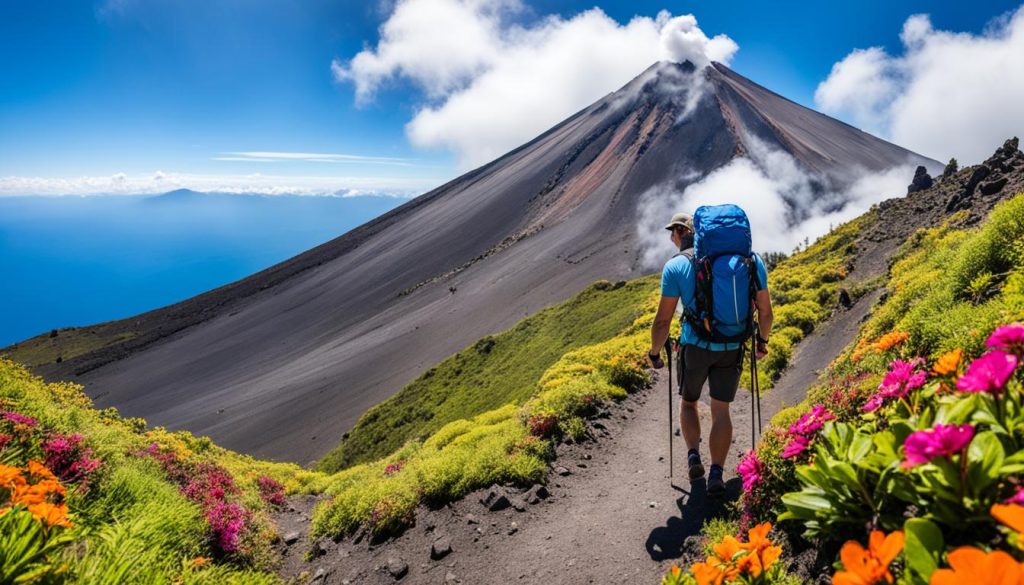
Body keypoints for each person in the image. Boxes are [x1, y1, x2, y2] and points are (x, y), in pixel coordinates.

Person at [648, 211, 773, 496]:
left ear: (681, 232)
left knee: (689, 403)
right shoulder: (751, 261)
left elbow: (662, 322)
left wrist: (655, 353)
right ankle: (717, 471)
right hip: (732, 347)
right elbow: (766, 312)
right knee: (721, 409)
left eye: (672, 232)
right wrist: (762, 343)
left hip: (695, 347)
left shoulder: (676, 267)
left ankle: (694, 456)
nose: (670, 237)